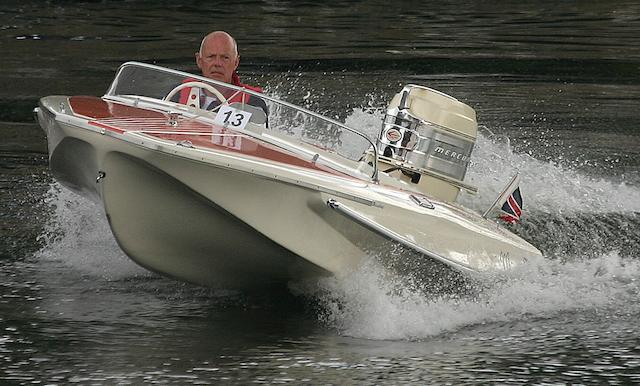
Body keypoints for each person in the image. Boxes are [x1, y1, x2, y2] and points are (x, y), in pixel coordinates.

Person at [179, 31, 267, 117]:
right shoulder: (178, 92)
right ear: (199, 61)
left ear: (236, 63)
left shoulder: (252, 103)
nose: (218, 63)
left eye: (225, 58)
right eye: (211, 57)